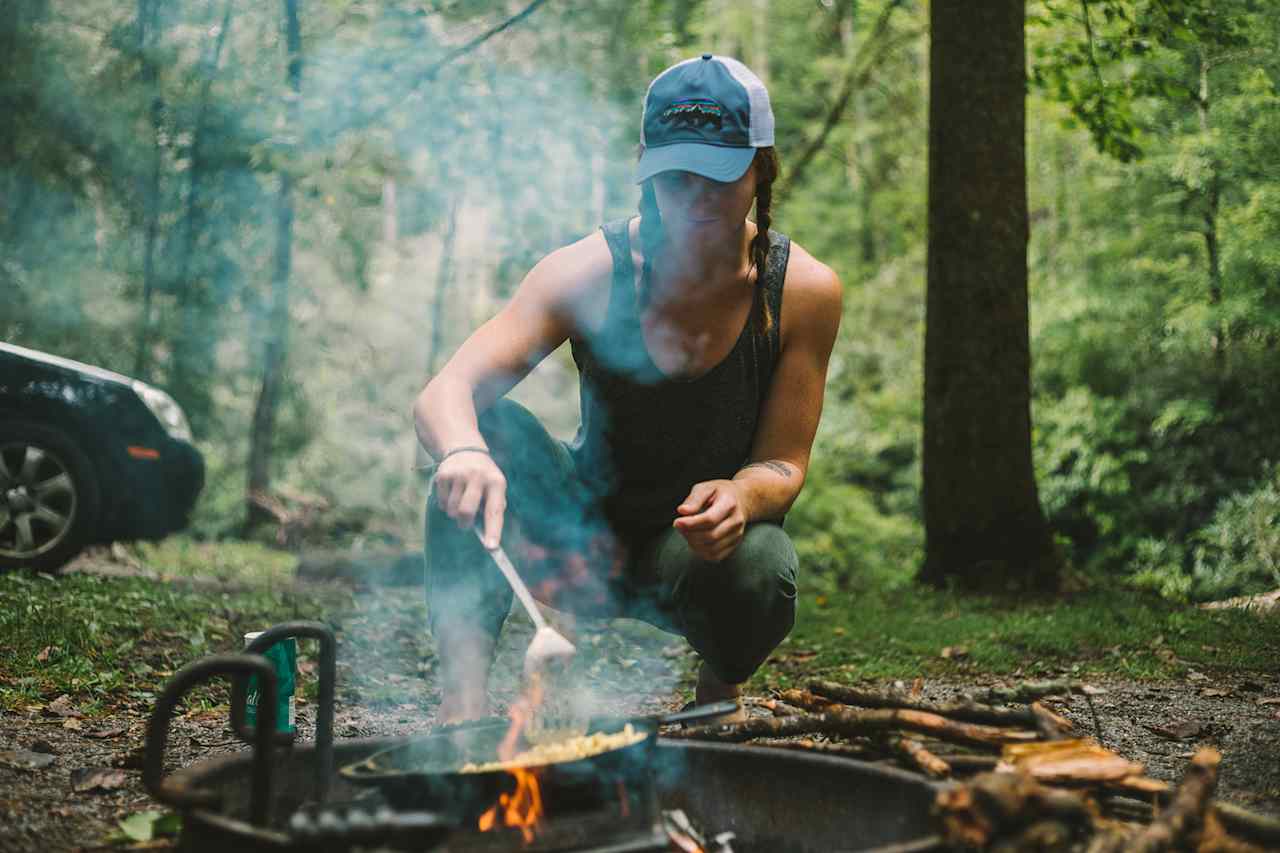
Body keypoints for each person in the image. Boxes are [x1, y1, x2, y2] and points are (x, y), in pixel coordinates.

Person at [412, 54, 841, 724]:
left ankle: (717, 692)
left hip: (695, 554)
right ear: (645, 163)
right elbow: (447, 391)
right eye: (676, 174)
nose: (696, 196)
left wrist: (742, 493)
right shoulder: (588, 272)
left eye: (719, 176)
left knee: (764, 558)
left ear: (762, 166)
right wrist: (464, 451)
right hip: (580, 536)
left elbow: (784, 462)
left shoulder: (804, 291)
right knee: (480, 435)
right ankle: (463, 707)